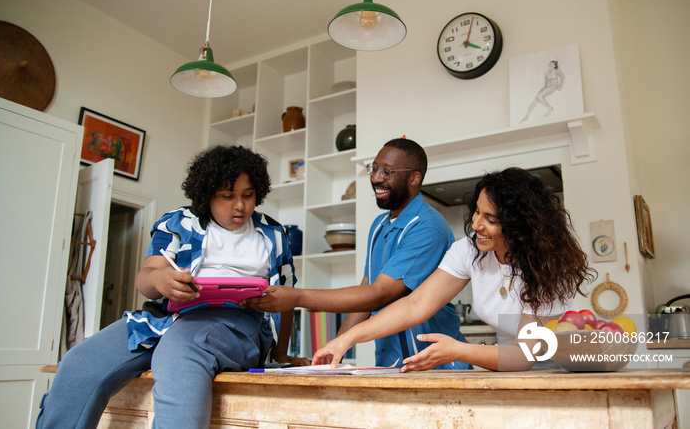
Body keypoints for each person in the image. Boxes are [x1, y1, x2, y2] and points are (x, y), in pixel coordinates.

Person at [37, 145, 309, 429]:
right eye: (227, 196)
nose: (239, 205)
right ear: (207, 195)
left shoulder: (274, 234)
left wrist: (280, 355)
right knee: (80, 362)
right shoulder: (178, 222)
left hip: (237, 322)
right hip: (166, 318)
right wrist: (160, 280)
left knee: (181, 351)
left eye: (248, 195)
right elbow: (148, 275)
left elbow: (285, 298)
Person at [313, 167, 596, 371]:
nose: (476, 225)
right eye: (476, 212)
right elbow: (415, 304)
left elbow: (525, 356)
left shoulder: (545, 268)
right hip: (503, 365)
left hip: (553, 368)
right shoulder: (470, 249)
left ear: (521, 224)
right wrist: (347, 338)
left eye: (490, 218)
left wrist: (458, 350)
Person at [244, 138, 470, 370]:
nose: (376, 178)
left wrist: (297, 297)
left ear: (414, 178)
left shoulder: (427, 227)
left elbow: (379, 294)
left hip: (434, 366)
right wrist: (335, 350)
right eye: (373, 169)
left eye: (387, 171)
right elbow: (367, 293)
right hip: (392, 364)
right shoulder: (379, 226)